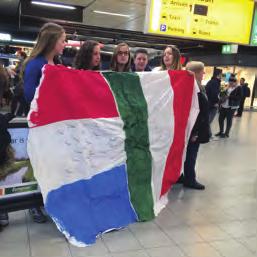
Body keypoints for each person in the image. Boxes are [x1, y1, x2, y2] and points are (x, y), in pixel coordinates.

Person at [22, 22, 66, 222]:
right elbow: (29, 94)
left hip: (56, 126)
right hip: (42, 126)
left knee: (53, 167)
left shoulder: (56, 64)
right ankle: (33, 205)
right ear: (52, 42)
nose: (65, 44)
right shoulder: (35, 65)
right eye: (62, 40)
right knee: (39, 166)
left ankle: (48, 201)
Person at [182, 61, 210, 190]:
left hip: (193, 129)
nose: (204, 73)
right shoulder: (195, 89)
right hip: (194, 130)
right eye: (202, 71)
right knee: (191, 155)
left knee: (188, 155)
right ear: (197, 72)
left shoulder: (196, 87)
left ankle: (183, 176)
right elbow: (195, 113)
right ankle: (190, 179)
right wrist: (195, 132)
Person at [11, 51, 30, 117]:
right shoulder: (20, 63)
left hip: (22, 84)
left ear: (22, 56)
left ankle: (17, 114)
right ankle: (21, 114)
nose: (17, 56)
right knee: (22, 100)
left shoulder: (24, 63)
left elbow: (23, 74)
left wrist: (15, 74)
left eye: (18, 55)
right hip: (20, 84)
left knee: (19, 99)